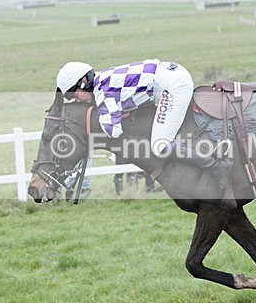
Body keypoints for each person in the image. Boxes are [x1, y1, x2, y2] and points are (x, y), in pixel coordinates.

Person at [56, 59, 232, 201]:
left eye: (73, 95)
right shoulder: (103, 79)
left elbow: (114, 131)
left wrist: (100, 116)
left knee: (160, 145)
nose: (76, 100)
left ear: (84, 82)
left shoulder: (102, 92)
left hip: (172, 86)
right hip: (171, 76)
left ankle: (217, 166)